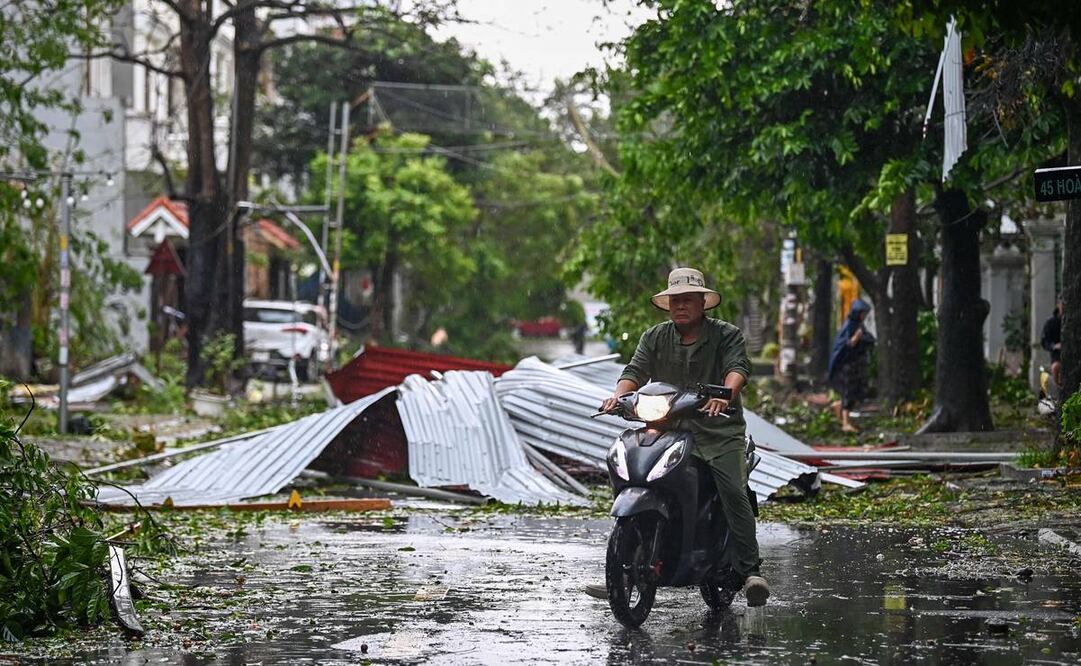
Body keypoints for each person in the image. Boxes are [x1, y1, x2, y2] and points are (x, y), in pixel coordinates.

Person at [598, 267, 769, 607]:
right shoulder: (655, 336)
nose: (680, 306)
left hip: (718, 429)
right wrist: (619, 395)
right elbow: (634, 371)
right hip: (669, 427)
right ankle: (622, 565)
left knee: (732, 489)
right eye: (675, 300)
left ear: (703, 302)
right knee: (632, 471)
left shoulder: (726, 335)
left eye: (688, 300)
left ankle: (750, 570)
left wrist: (726, 394)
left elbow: (739, 368)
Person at [827, 298, 875, 433]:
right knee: (848, 392)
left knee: (855, 393)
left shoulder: (860, 326)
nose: (864, 316)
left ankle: (839, 409)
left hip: (856, 365)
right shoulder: (849, 326)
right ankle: (846, 423)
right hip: (847, 366)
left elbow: (868, 339)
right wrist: (856, 338)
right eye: (862, 313)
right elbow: (846, 344)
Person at [1042, 296, 1063, 388]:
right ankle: (1059, 387)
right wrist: (1054, 346)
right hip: (1057, 355)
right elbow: (1044, 342)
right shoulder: (1050, 323)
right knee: (1056, 367)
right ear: (1058, 305)